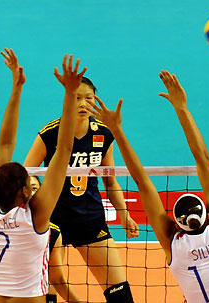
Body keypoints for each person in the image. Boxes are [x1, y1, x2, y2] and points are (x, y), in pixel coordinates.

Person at [86, 70, 209, 303]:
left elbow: (142, 182)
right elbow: (202, 158)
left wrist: (116, 130)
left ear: (177, 224)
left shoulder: (176, 246)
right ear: (208, 215)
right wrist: (182, 107)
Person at [0, 49, 86, 302]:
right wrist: (70, 93)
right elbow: (64, 149)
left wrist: (16, 88)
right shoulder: (35, 217)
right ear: (25, 192)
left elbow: (4, 145)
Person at [23, 76, 139, 302]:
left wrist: (124, 214)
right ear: (67, 101)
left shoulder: (104, 133)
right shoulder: (50, 133)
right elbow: (26, 175)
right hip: (51, 221)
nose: (83, 103)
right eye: (77, 98)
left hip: (90, 218)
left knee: (121, 292)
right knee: (46, 291)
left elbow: (110, 181)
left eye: (89, 98)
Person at [0, 176, 81, 303]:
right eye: (26, 189)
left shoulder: (53, 233)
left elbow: (57, 279)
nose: (31, 194)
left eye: (35, 189)